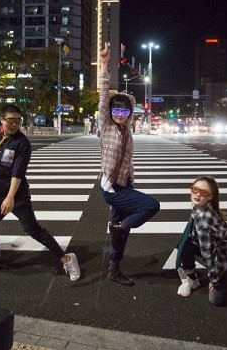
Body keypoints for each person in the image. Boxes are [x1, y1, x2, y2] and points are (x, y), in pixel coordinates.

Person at [0, 104, 80, 280]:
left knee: (33, 230)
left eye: (18, 121)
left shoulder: (22, 143)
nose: (15, 124)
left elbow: (18, 172)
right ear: (2, 120)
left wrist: (10, 198)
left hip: (17, 195)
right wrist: (0, 193)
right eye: (11, 120)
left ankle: (67, 259)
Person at [97, 43, 160, 286]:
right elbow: (104, 97)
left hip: (126, 184)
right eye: (116, 110)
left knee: (123, 234)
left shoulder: (127, 128)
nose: (120, 114)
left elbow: (132, 99)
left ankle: (114, 269)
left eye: (124, 111)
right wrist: (104, 65)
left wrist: (124, 99)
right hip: (113, 188)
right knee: (151, 206)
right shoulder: (107, 125)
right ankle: (119, 227)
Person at [174, 176, 227, 305]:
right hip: (216, 250)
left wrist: (214, 279)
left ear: (210, 197)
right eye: (195, 189)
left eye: (203, 192)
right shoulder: (199, 207)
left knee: (216, 299)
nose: (197, 194)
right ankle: (192, 279)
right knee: (184, 245)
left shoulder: (205, 220)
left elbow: (208, 254)